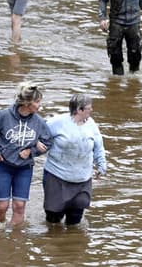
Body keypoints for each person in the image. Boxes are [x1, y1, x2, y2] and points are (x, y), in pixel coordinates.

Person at [0, 82, 52, 226]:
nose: (40, 105)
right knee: (2, 207)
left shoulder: (38, 121)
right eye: (37, 101)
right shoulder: (4, 115)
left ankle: (15, 241)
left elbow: (48, 142)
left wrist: (31, 151)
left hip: (24, 168)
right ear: (27, 103)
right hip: (2, 166)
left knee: (19, 206)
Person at [43, 94, 106, 225]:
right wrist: (35, 148)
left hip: (82, 178)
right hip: (57, 175)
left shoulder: (91, 124)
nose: (92, 110)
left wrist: (101, 165)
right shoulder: (56, 122)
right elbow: (40, 136)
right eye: (89, 108)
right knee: (54, 219)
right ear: (79, 110)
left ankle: (73, 243)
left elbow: (98, 146)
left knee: (75, 219)